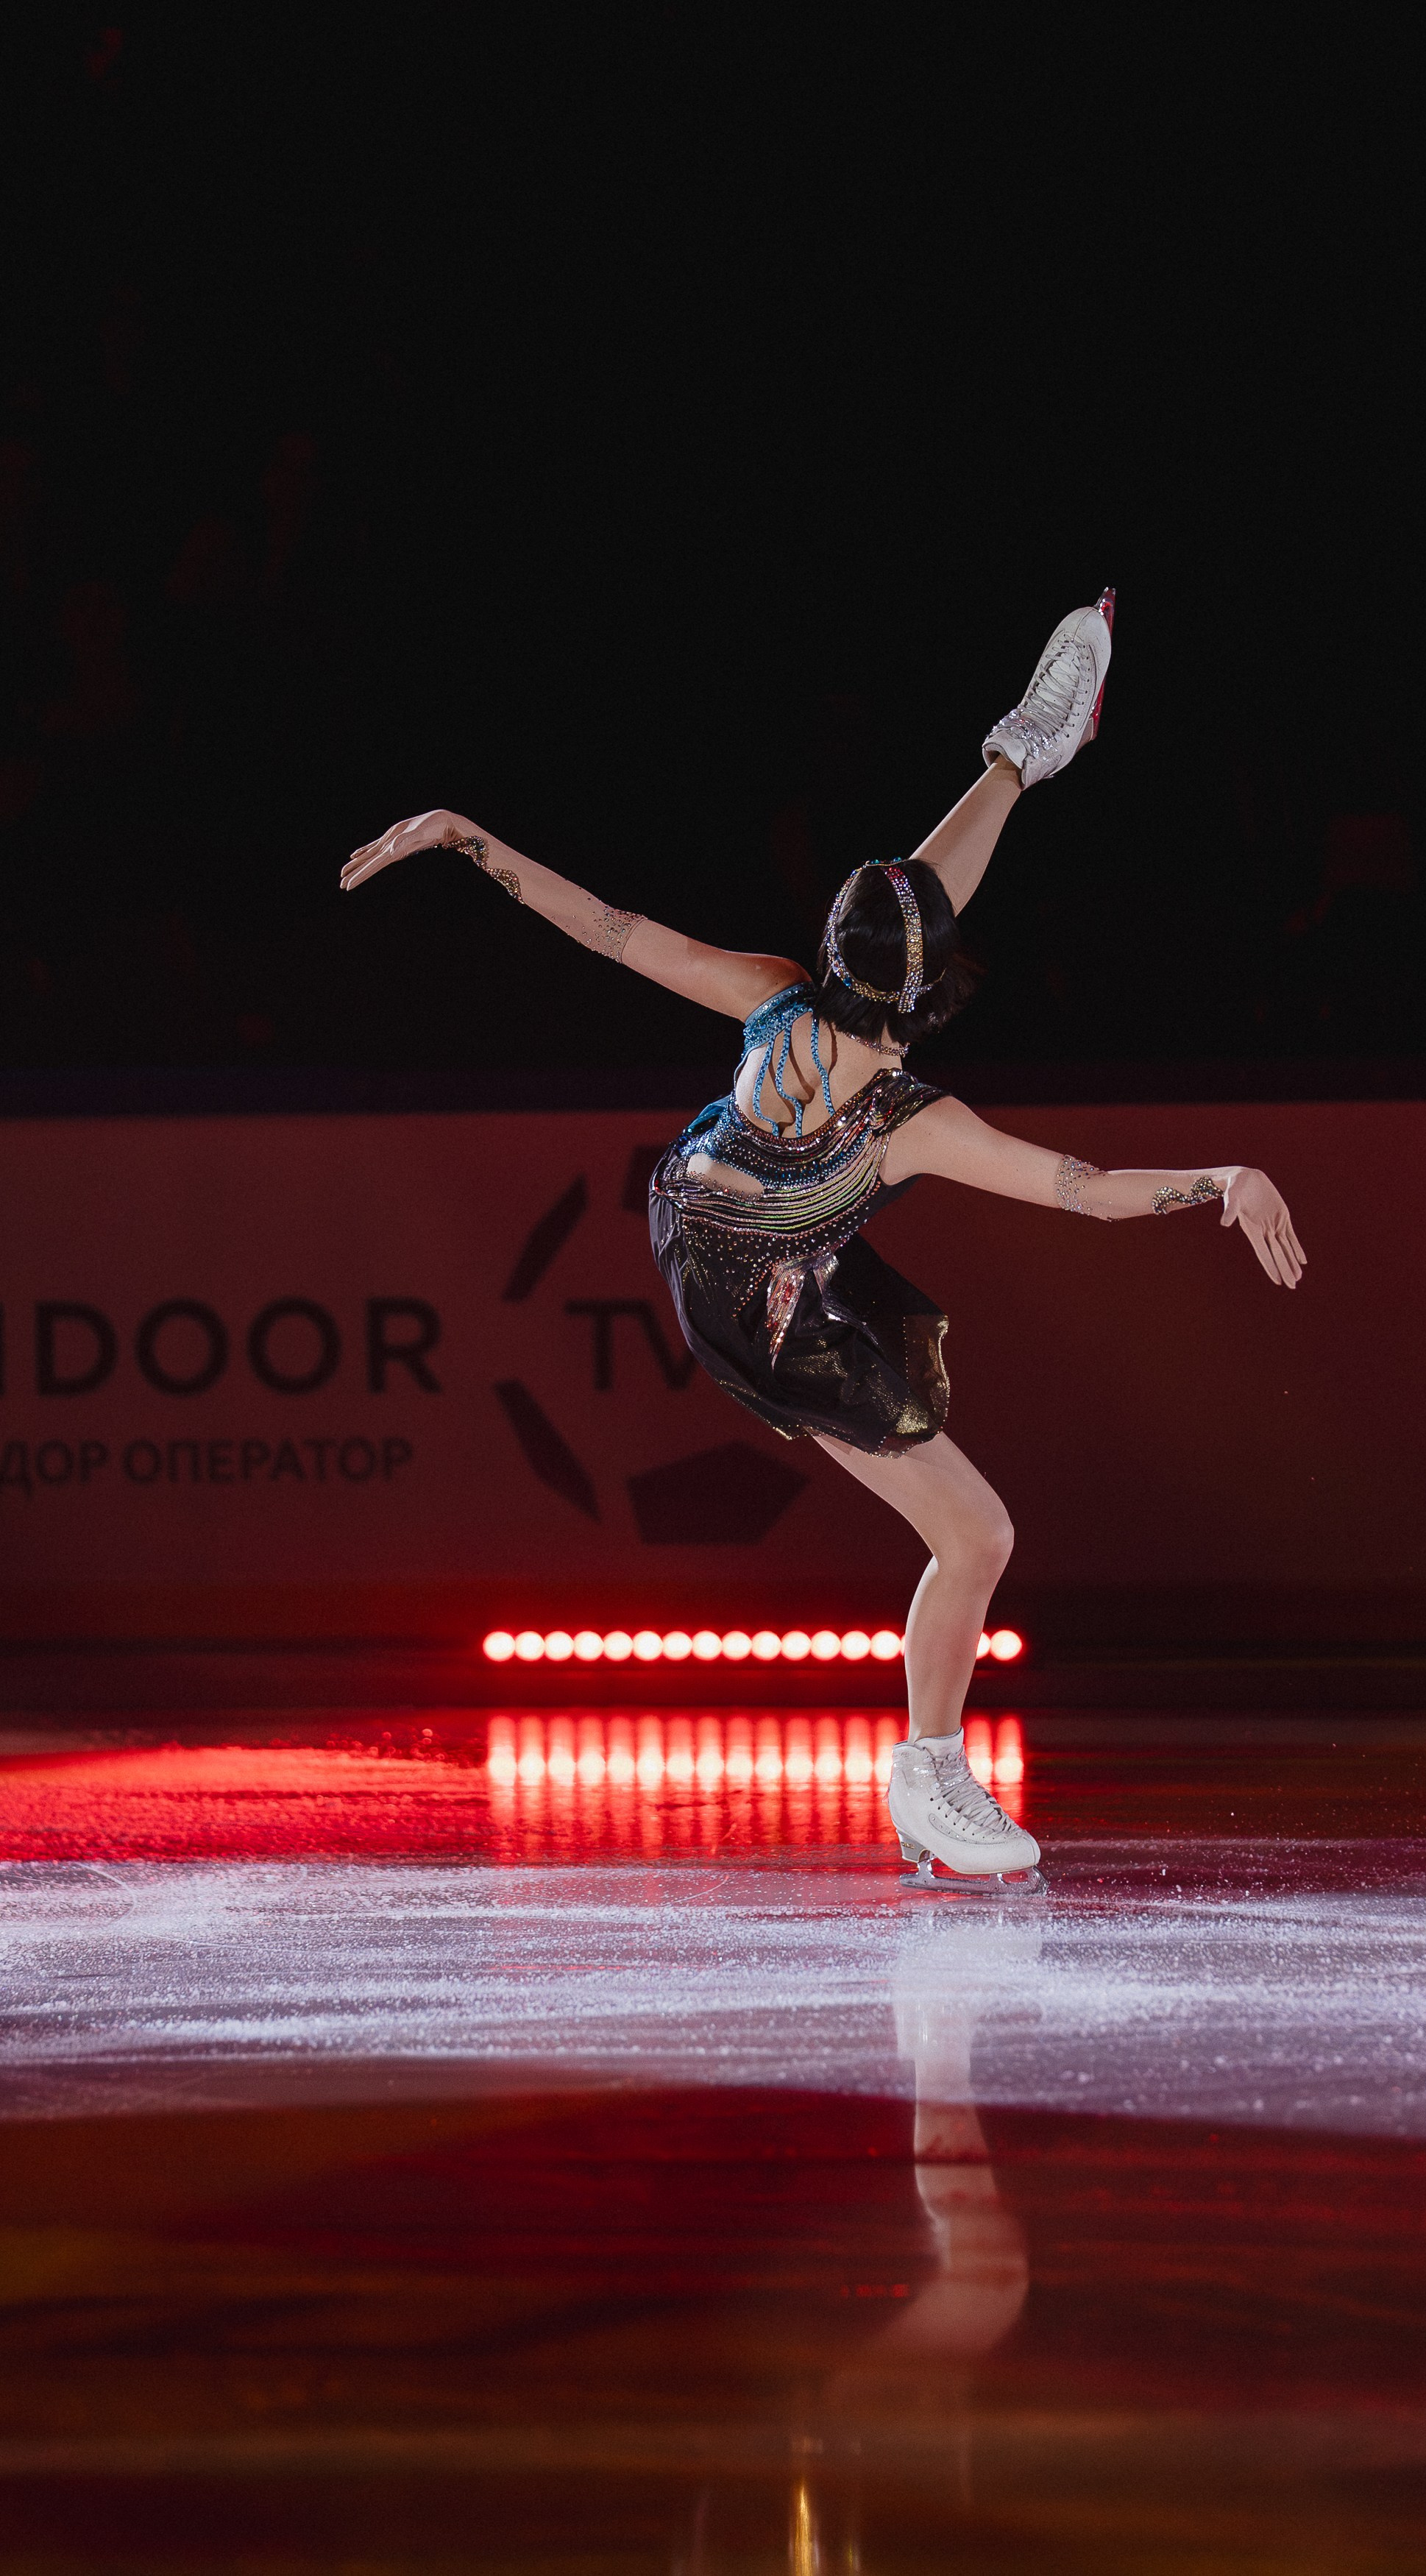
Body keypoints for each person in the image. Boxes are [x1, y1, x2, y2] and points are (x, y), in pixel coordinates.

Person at [342, 592, 1306, 1880]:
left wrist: (470, 838)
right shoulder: (917, 1123)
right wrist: (1223, 1176)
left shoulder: (769, 993)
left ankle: (1020, 752)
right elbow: (1079, 1187)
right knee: (977, 1538)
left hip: (705, 1207)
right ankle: (927, 1772)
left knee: (920, 896)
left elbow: (614, 931)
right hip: (762, 1312)